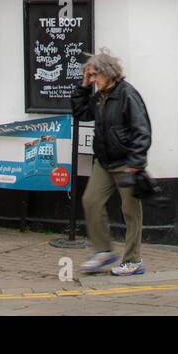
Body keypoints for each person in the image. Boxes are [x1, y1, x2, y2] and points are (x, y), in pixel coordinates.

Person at [71, 50, 152, 276]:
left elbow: (142, 131)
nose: (93, 79)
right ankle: (104, 251)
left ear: (108, 72)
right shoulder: (99, 96)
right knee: (90, 201)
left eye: (95, 75)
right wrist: (84, 85)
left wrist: (136, 163)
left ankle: (133, 260)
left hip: (127, 162)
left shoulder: (128, 95)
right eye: (91, 76)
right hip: (104, 162)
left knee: (130, 211)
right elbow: (80, 113)